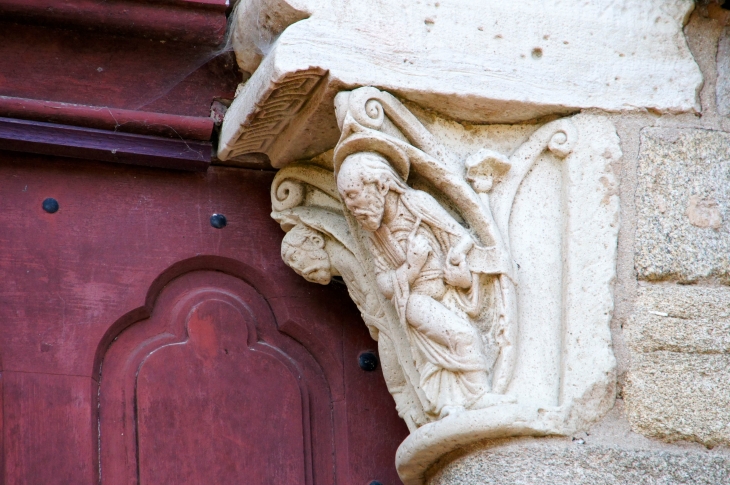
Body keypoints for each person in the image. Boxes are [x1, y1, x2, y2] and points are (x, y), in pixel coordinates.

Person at [336, 151, 494, 418]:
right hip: (414, 300)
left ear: (382, 186)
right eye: (345, 199)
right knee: (462, 336)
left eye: (353, 194)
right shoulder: (377, 234)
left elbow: (463, 237)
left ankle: (457, 403)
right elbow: (384, 284)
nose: (351, 206)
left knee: (458, 338)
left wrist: (457, 264)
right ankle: (479, 398)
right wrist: (412, 266)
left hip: (448, 294)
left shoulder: (418, 203)